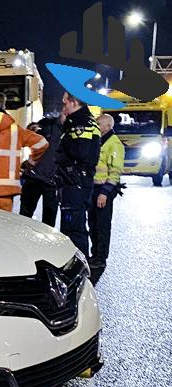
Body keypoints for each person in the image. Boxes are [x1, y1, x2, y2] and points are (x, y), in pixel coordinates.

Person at [55, 91, 101, 255]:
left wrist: (65, 130)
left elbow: (79, 151)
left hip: (76, 182)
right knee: (72, 226)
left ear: (74, 102)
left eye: (65, 103)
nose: (63, 106)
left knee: (73, 228)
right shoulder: (82, 121)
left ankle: (79, 268)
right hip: (76, 181)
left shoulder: (80, 122)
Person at [87, 113, 124, 273]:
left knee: (102, 225)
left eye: (99, 124)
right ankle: (95, 254)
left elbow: (115, 172)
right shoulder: (99, 140)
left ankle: (100, 258)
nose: (96, 126)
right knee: (93, 223)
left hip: (104, 190)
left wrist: (105, 193)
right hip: (94, 189)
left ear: (108, 126)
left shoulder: (114, 143)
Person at [19, 115, 64, 226]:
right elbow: (30, 132)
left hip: (52, 181)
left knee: (49, 220)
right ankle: (20, 239)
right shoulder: (47, 124)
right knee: (24, 216)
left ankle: (45, 242)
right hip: (34, 177)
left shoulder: (70, 131)